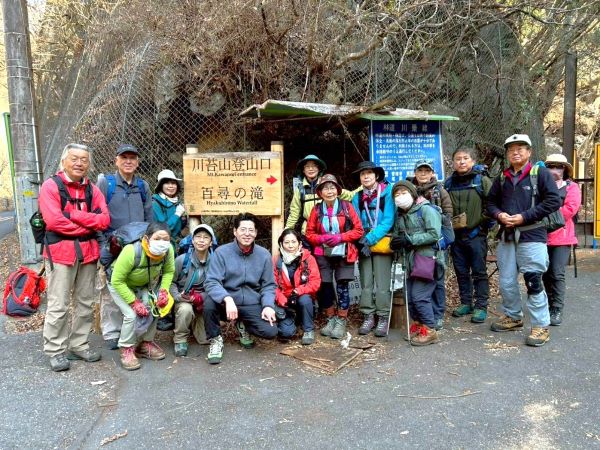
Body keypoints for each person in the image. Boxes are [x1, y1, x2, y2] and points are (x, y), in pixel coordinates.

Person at [39, 143, 110, 372]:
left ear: (89, 164)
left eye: (84, 159)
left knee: (85, 302)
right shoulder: (51, 186)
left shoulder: (92, 190)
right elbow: (54, 222)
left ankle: (78, 345)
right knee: (58, 303)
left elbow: (104, 220)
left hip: (88, 253)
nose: (79, 163)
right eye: (74, 158)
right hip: (60, 253)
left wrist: (73, 214)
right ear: (64, 161)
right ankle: (55, 350)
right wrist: (88, 223)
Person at [487, 134, 561, 347]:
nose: (515, 152)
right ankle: (513, 316)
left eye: (520, 148)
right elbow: (490, 203)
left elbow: (553, 201)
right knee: (507, 280)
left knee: (533, 280)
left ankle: (540, 325)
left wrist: (524, 216)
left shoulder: (540, 174)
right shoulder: (503, 178)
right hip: (507, 235)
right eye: (511, 149)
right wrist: (499, 214)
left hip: (532, 234)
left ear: (529, 152)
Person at [97, 143, 153, 350]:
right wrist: (102, 245)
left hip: (137, 245)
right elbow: (96, 215)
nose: (128, 161)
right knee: (110, 289)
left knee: (135, 285)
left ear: (137, 162)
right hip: (112, 245)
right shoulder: (106, 183)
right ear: (116, 161)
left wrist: (149, 241)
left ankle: (132, 330)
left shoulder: (143, 186)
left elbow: (149, 216)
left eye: (132, 158)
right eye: (124, 158)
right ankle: (112, 332)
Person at [203, 213, 278, 364]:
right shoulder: (221, 252)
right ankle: (215, 339)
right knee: (209, 302)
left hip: (251, 302)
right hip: (227, 302)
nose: (247, 234)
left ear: (256, 233)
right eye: (243, 229)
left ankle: (242, 324)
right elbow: (211, 281)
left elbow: (269, 285)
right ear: (235, 231)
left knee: (270, 331)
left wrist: (268, 305)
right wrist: (227, 298)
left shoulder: (263, 254)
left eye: (251, 230)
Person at [108, 222, 175, 370]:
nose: (162, 242)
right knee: (131, 315)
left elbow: (169, 271)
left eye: (165, 239)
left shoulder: (168, 250)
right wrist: (134, 302)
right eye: (157, 238)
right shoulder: (132, 251)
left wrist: (163, 291)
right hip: (119, 284)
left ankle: (145, 343)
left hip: (143, 284)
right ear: (146, 238)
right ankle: (126, 348)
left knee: (154, 306)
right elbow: (117, 280)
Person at [305, 174, 364, 339]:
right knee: (324, 285)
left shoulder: (347, 207)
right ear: (320, 192)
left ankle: (341, 320)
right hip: (322, 252)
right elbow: (309, 233)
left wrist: (341, 237)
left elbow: (359, 230)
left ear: (337, 190)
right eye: (325, 188)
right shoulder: (317, 209)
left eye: (332, 188)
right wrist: (321, 238)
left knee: (342, 285)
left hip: (344, 251)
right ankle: (330, 318)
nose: (329, 191)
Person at [390, 180, 442, 346]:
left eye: (403, 193)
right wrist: (395, 242)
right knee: (410, 298)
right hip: (409, 261)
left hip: (427, 260)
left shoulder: (426, 210)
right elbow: (397, 235)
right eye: (397, 194)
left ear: (412, 194)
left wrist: (409, 239)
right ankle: (420, 326)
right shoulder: (400, 215)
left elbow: (434, 234)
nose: (400, 197)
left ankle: (430, 330)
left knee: (419, 297)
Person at [444, 149, 493, 324]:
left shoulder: (482, 181)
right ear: (453, 163)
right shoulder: (449, 183)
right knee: (461, 271)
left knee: (479, 271)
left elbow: (492, 205)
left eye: (465, 158)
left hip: (476, 234)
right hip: (456, 235)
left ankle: (481, 306)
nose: (462, 162)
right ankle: (466, 302)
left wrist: (483, 226)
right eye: (458, 159)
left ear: (472, 161)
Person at [408, 159, 453, 330]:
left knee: (437, 280)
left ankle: (437, 314)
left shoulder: (439, 191)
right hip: (415, 245)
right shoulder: (409, 190)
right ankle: (422, 316)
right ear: (415, 172)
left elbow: (448, 214)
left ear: (432, 173)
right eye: (420, 170)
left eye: (427, 171)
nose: (423, 174)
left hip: (436, 243)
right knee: (418, 277)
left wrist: (432, 219)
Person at [351, 161, 395, 337]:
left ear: (376, 175)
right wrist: (362, 241)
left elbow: (388, 220)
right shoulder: (357, 197)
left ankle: (383, 316)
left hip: (381, 242)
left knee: (383, 284)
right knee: (366, 283)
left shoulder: (387, 192)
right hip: (363, 243)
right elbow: (355, 221)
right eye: (362, 174)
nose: (366, 176)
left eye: (369, 173)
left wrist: (369, 239)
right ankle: (368, 315)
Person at [542, 153, 581, 326]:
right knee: (544, 273)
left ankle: (557, 308)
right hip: (542, 236)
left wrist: (546, 217)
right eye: (551, 166)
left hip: (562, 236)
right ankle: (549, 304)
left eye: (558, 166)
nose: (554, 170)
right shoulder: (541, 186)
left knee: (557, 273)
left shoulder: (571, 187)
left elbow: (570, 209)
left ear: (565, 169)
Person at [169, 223, 216, 356]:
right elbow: (171, 282)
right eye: (198, 237)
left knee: (204, 339)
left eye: (206, 237)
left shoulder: (215, 262)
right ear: (193, 240)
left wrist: (202, 297)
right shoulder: (182, 260)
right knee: (186, 309)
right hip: (183, 299)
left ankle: (195, 325)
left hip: (202, 301)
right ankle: (180, 339)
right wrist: (177, 296)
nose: (201, 240)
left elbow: (218, 285)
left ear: (211, 242)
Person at [285, 154, 358, 235]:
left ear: (319, 169)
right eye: (307, 167)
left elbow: (351, 196)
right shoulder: (300, 190)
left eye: (314, 166)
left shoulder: (328, 185)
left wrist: (365, 185)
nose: (311, 169)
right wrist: (286, 232)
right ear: (303, 170)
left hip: (328, 230)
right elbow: (294, 213)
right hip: (308, 232)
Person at [273, 229, 321, 345]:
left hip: (302, 298)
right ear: (281, 244)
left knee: (305, 299)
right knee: (286, 333)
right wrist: (281, 299)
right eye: (286, 242)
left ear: (300, 243)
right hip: (284, 302)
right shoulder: (276, 261)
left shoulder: (308, 259)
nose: (290, 246)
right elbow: (272, 284)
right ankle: (291, 320)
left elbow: (315, 282)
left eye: (293, 242)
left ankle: (308, 330)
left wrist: (298, 291)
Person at [152, 169, 187, 246]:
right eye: (167, 183)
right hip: (161, 243)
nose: (171, 186)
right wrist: (177, 214)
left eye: (173, 183)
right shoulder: (155, 203)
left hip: (176, 243)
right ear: (161, 186)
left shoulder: (176, 202)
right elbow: (163, 229)